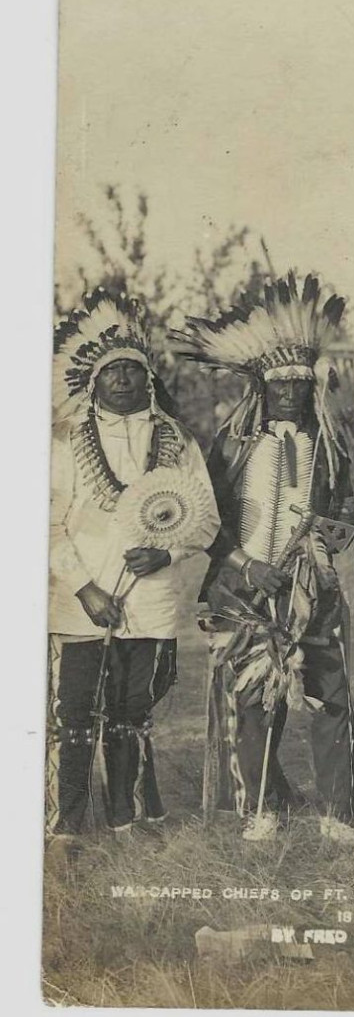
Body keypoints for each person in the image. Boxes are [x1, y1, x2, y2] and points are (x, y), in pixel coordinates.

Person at [174, 272, 354, 844]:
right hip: (246, 591)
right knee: (254, 699)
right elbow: (205, 521)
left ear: (312, 388)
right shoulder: (232, 444)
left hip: (313, 592)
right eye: (278, 384)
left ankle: (338, 813)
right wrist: (245, 565)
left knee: (329, 694)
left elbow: (350, 505)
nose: (289, 393)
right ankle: (261, 808)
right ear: (260, 386)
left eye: (299, 384)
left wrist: (337, 534)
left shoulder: (330, 446)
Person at [47, 289, 220, 847]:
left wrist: (167, 553)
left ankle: (130, 820)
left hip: (150, 600)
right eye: (111, 370)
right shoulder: (66, 439)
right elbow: (43, 524)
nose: (122, 378)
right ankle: (67, 827)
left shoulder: (177, 440)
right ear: (92, 381)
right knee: (74, 717)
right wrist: (84, 587)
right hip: (81, 603)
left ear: (148, 378)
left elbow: (209, 522)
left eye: (132, 369)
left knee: (132, 712)